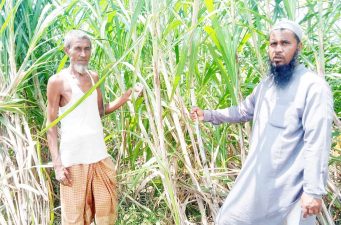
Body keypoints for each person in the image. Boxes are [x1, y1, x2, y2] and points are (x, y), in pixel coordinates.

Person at [190, 19, 333, 225]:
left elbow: (317, 143)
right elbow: (243, 110)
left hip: (291, 191)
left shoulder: (313, 87)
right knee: (229, 219)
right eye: (273, 44)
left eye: (285, 43)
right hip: (259, 182)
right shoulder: (267, 84)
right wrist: (209, 114)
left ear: (299, 47)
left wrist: (313, 191)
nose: (277, 50)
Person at [47, 30, 142, 225]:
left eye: (87, 49)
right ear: (67, 51)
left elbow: (100, 110)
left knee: (106, 211)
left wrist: (126, 97)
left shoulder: (93, 77)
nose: (83, 54)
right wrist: (57, 164)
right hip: (73, 161)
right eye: (78, 49)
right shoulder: (57, 82)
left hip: (99, 156)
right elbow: (51, 125)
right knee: (74, 218)